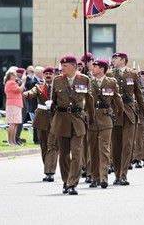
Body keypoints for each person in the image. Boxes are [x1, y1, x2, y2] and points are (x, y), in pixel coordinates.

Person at [50, 55, 95, 195]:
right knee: (63, 154)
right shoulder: (57, 81)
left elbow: (89, 101)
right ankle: (66, 180)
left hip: (77, 120)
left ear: (74, 66)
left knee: (76, 153)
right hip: (61, 120)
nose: (62, 68)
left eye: (65, 66)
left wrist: (91, 117)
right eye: (61, 66)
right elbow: (54, 100)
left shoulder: (84, 79)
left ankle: (72, 183)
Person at [110, 52, 144, 185]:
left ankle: (123, 174)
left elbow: (138, 95)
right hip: (115, 112)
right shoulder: (109, 74)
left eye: (116, 58)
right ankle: (116, 173)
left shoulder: (132, 74)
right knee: (116, 146)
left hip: (129, 113)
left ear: (123, 60)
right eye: (113, 58)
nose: (113, 60)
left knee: (127, 145)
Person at [87, 59, 124, 189]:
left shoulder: (111, 82)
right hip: (91, 118)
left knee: (104, 148)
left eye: (95, 67)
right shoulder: (88, 82)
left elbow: (117, 98)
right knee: (93, 149)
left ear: (102, 69)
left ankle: (104, 177)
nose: (92, 68)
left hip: (105, 117)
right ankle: (95, 177)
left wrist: (120, 111)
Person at [23, 66, 58, 182]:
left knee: (52, 145)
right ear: (43, 75)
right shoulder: (39, 87)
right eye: (46, 73)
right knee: (44, 146)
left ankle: (50, 171)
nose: (48, 75)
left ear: (54, 75)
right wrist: (26, 94)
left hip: (55, 118)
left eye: (50, 73)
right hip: (42, 119)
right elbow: (32, 92)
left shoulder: (58, 87)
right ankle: (47, 168)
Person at [4, 69, 26, 146]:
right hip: (13, 104)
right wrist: (23, 82)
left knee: (15, 123)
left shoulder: (12, 83)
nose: (16, 77)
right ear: (11, 76)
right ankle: (10, 141)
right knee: (12, 123)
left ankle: (13, 141)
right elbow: (20, 90)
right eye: (14, 75)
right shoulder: (11, 83)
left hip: (16, 104)